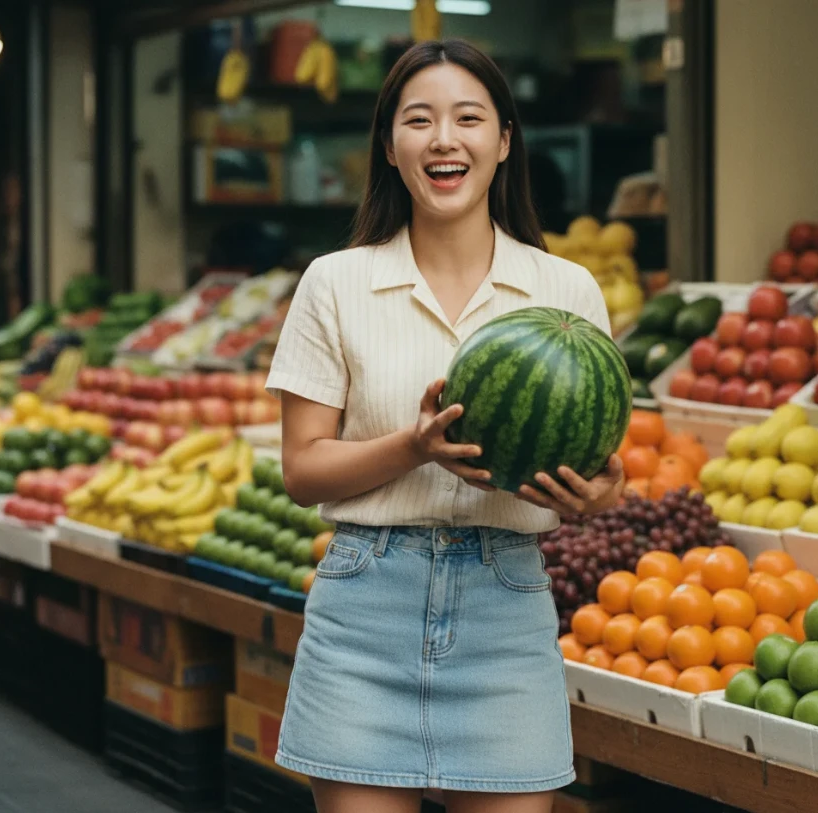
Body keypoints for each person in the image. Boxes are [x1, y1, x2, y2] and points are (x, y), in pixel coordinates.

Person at [265, 39, 625, 813]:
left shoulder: (564, 291)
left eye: (468, 118)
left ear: (502, 142)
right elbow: (301, 470)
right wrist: (412, 446)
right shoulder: (336, 282)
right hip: (365, 607)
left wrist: (593, 495)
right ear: (390, 149)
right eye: (417, 120)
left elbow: (589, 460)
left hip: (506, 606)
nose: (442, 139)